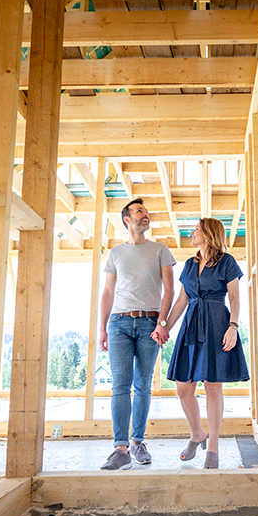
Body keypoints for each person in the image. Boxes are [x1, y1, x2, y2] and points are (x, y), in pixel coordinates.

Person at [161, 217, 249, 469]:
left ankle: (213, 447)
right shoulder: (189, 264)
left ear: (209, 235)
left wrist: (233, 327)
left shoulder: (227, 262)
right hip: (191, 326)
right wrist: (165, 325)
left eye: (197, 229)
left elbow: (234, 297)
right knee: (183, 387)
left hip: (217, 324)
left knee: (213, 386)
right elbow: (181, 301)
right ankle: (197, 433)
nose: (192, 232)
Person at [99, 198, 175, 470]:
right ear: (127, 220)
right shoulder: (115, 253)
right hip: (118, 323)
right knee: (120, 385)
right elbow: (108, 292)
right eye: (139, 212)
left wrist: (162, 322)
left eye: (146, 212)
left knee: (142, 384)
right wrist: (102, 327)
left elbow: (170, 289)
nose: (146, 215)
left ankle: (137, 442)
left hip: (149, 323)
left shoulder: (160, 250)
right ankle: (121, 449)